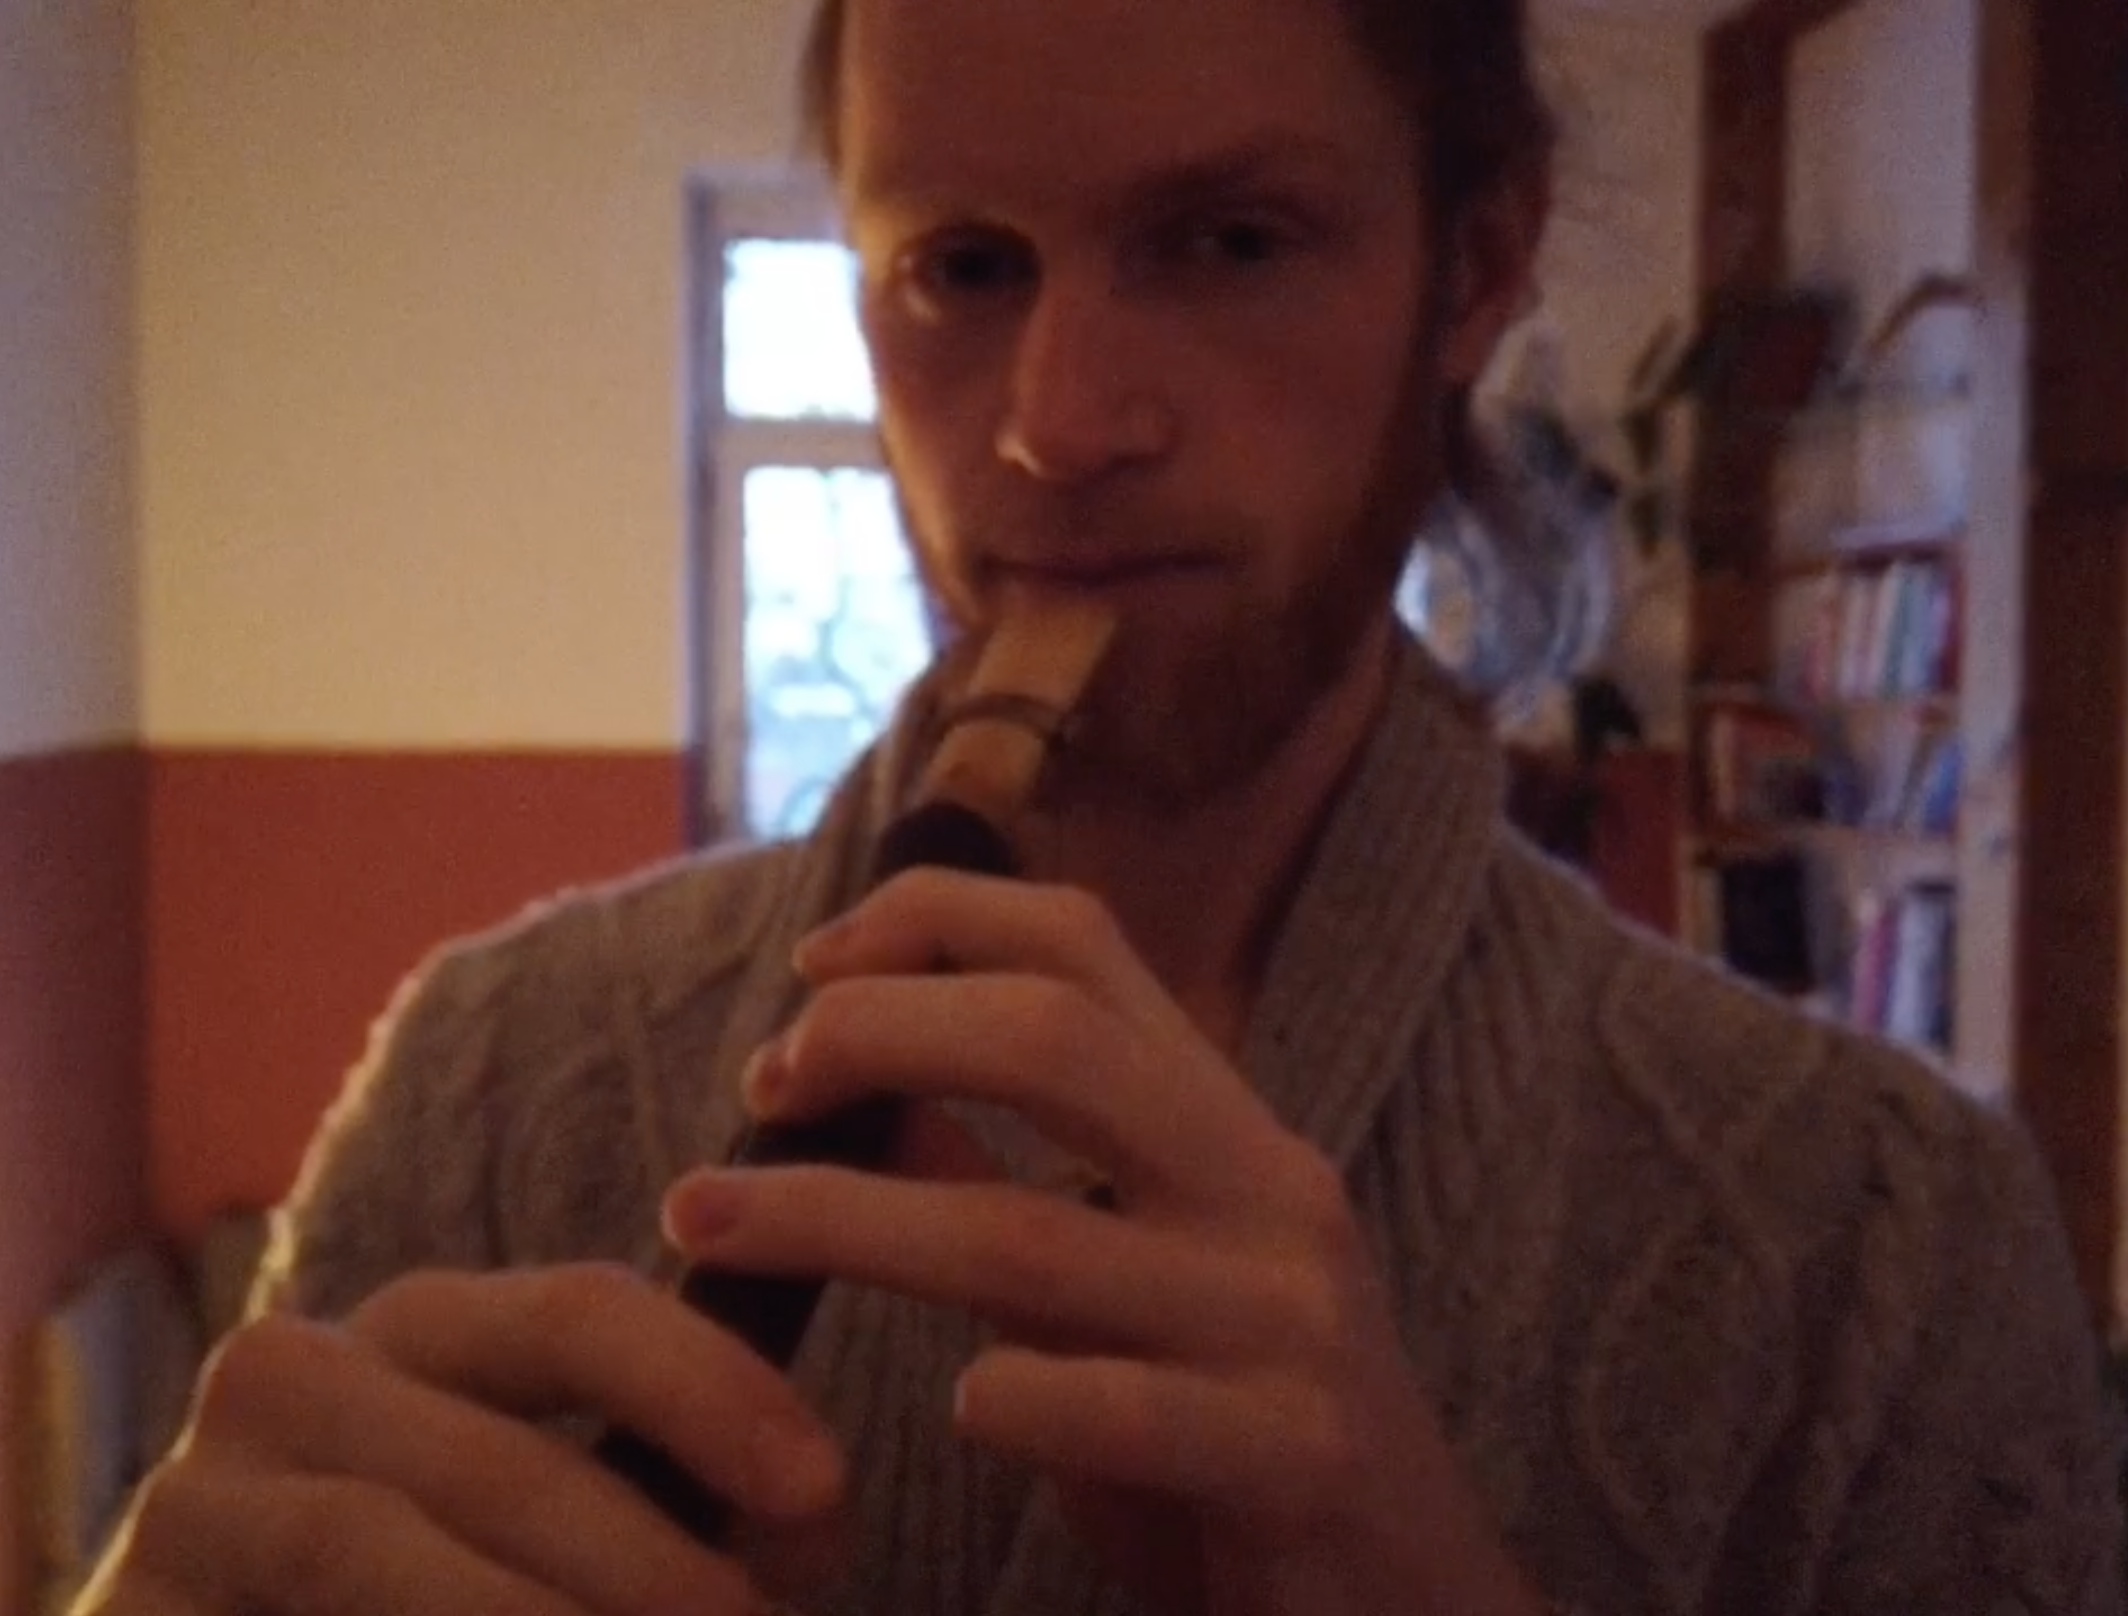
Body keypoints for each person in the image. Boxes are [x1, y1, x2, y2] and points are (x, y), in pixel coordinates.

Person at [77, 0, 2120, 1611]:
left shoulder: (1889, 1249)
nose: (1057, 427)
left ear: (1477, 258)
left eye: (1229, 242)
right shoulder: (482, 1080)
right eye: (961, 265)